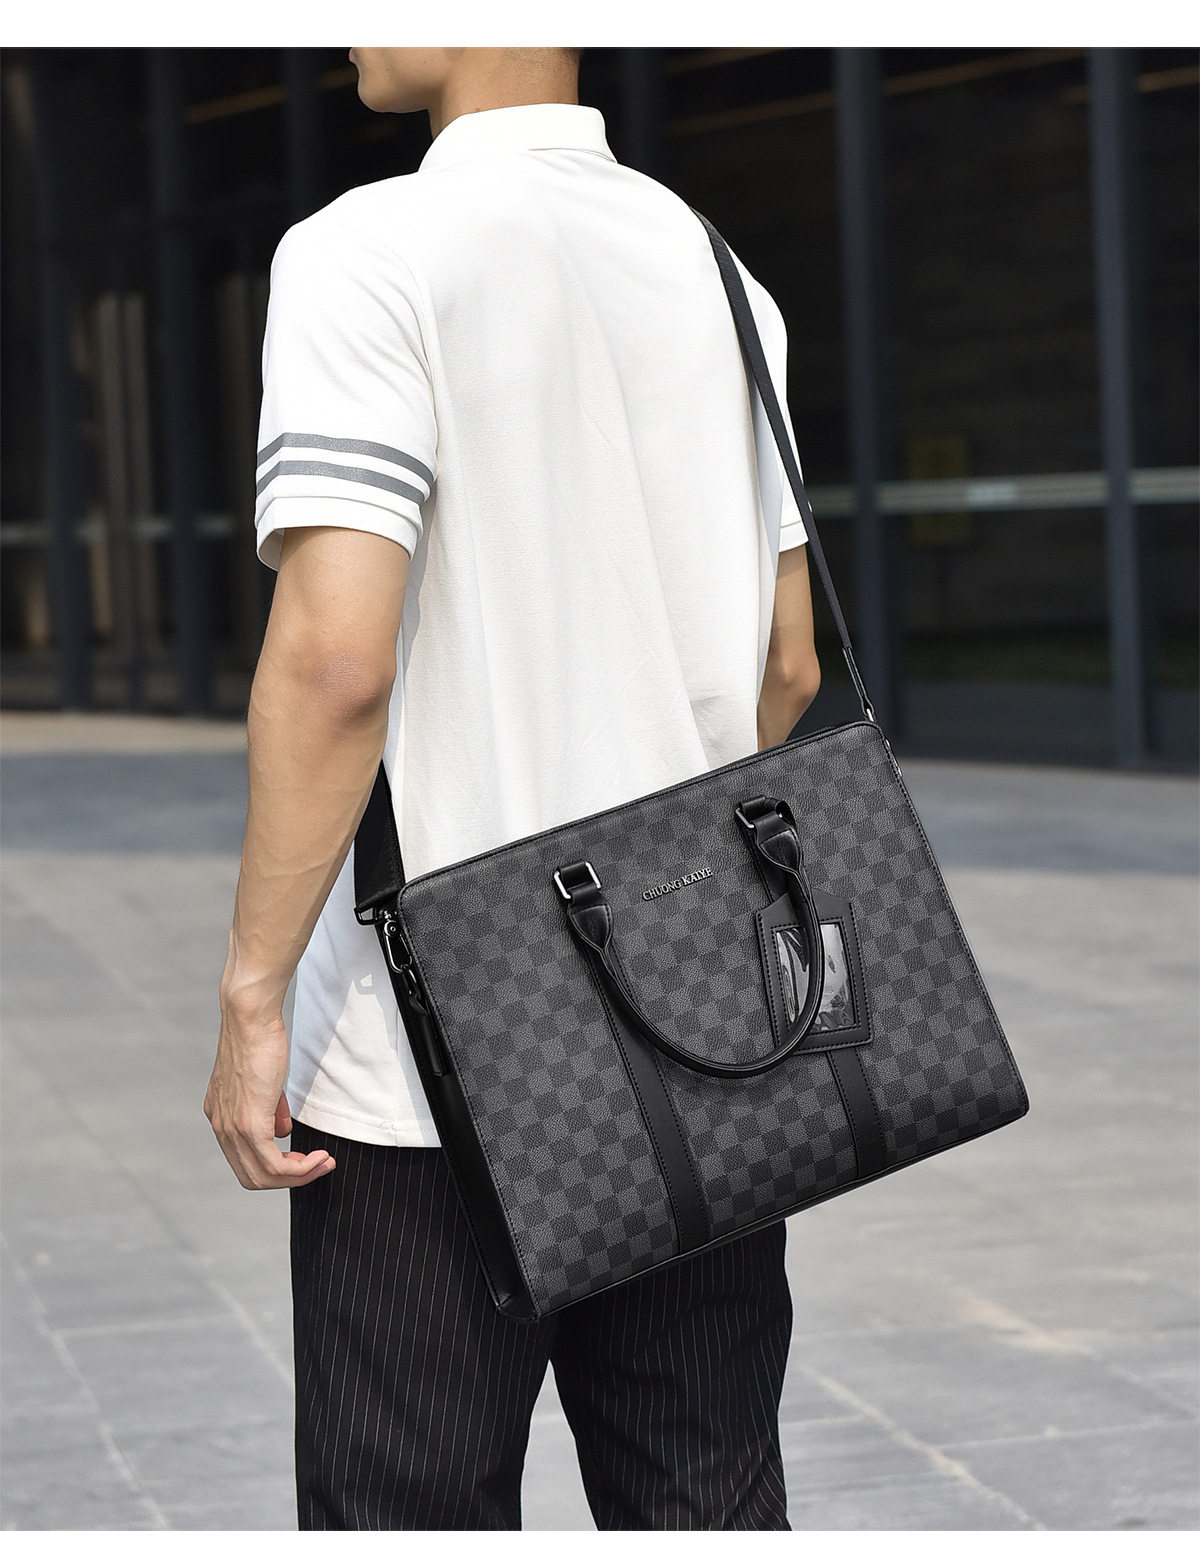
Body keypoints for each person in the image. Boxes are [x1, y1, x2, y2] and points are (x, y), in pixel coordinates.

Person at [205, 46, 821, 1532]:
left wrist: (253, 992)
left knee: (407, 1510)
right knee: (707, 1502)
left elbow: (335, 662)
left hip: (437, 1046)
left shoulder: (366, 250)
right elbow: (788, 663)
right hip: (705, 1027)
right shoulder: (720, 273)